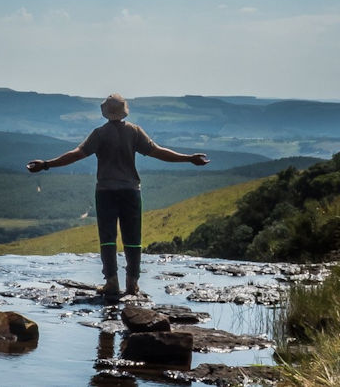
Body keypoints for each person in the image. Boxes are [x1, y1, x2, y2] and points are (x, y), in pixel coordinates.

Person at [27, 93, 209, 296]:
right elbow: (158, 152)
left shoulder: (99, 134)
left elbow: (76, 154)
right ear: (124, 111)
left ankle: (111, 281)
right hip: (131, 191)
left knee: (107, 237)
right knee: (133, 238)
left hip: (105, 192)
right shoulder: (134, 131)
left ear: (105, 113)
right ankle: (132, 283)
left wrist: (46, 165)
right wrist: (189, 158)